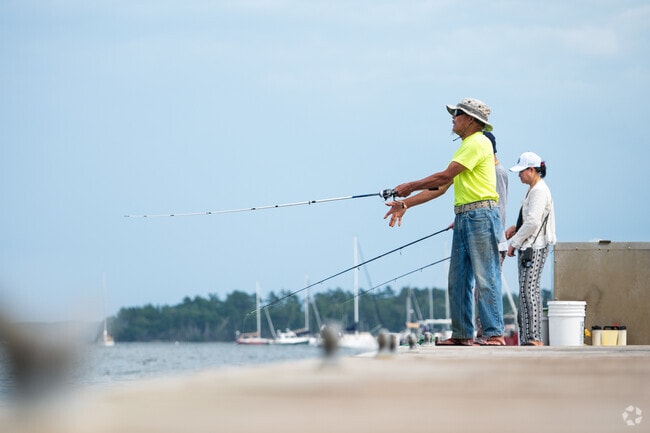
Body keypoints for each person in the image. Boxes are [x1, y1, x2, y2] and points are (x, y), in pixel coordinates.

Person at [384, 98, 505, 346]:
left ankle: (494, 334)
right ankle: (462, 335)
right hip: (463, 216)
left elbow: (444, 175)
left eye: (457, 113)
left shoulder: (478, 142)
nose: (453, 117)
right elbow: (441, 186)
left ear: (471, 119)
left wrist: (409, 186)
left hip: (481, 215)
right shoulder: (466, 146)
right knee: (458, 279)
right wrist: (406, 203)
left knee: (486, 277)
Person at [505, 152, 556, 346]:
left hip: (534, 246)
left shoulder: (539, 191)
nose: (519, 175)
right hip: (530, 245)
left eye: (521, 171)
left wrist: (515, 242)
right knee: (526, 291)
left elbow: (533, 221)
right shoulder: (533, 190)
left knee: (529, 290)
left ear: (532, 170)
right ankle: (528, 337)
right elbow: (529, 219)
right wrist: (515, 228)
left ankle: (534, 337)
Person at [473, 131, 508, 344]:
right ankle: (482, 333)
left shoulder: (498, 172)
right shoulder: (488, 172)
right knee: (480, 288)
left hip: (494, 237)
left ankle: (492, 333)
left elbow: (500, 207)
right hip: (486, 234)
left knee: (488, 286)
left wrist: (496, 235)